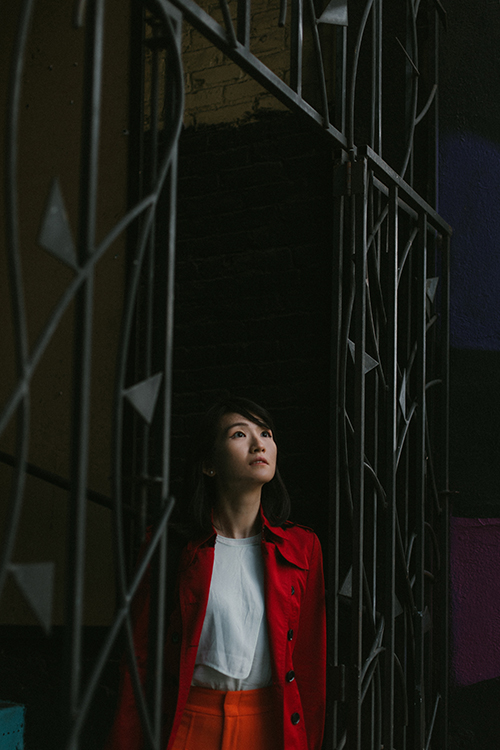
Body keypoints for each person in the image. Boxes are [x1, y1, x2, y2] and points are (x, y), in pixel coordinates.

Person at [108, 397, 326, 750]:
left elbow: (310, 668)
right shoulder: (170, 547)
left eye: (266, 433)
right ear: (209, 464)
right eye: (239, 434)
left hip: (269, 725)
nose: (259, 443)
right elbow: (140, 660)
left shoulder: (302, 548)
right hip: (191, 722)